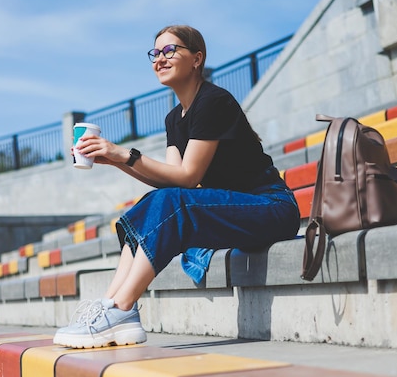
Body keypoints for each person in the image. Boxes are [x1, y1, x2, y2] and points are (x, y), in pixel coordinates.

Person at [53, 25, 300, 348]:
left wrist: (122, 153)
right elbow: (169, 178)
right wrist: (114, 160)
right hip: (233, 209)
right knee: (150, 204)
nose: (160, 59)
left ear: (197, 59)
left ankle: (123, 308)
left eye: (170, 51)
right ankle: (110, 306)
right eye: (155, 53)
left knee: (173, 203)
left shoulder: (213, 101)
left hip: (270, 208)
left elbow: (187, 177)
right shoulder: (174, 119)